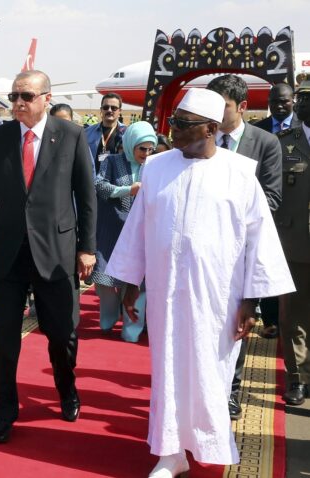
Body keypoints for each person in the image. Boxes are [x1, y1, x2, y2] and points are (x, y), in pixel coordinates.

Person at [106, 88, 294, 475]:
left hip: (217, 296)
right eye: (173, 122)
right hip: (165, 292)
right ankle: (170, 453)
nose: (172, 131)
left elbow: (259, 240)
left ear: (210, 129)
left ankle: (208, 443)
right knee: (168, 368)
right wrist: (129, 283)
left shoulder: (239, 172)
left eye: (182, 125)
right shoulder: (156, 167)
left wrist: (251, 301)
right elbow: (139, 227)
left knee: (210, 370)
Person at [0, 70, 96, 443]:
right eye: (14, 96)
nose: (18, 103)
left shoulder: (69, 135)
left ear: (46, 98)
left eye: (26, 96)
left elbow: (86, 197)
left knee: (62, 335)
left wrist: (87, 248)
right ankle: (5, 410)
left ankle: (67, 390)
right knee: (5, 339)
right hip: (8, 253)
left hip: (55, 254)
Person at [207, 74, 284, 420]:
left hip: (241, 249)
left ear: (241, 107)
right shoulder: (202, 139)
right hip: (203, 248)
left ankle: (230, 391)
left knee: (237, 322)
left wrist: (223, 207)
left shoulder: (265, 143)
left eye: (221, 105)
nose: (213, 113)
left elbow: (272, 198)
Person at [92, 121, 155, 343]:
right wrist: (128, 190)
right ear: (130, 145)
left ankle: (132, 330)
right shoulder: (112, 162)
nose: (146, 154)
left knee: (140, 284)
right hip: (111, 232)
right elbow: (99, 186)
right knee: (106, 283)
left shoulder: (156, 165)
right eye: (142, 149)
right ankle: (109, 317)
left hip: (143, 235)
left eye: (150, 149)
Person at [276, 80, 310, 406]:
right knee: (292, 317)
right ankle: (296, 378)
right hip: (293, 245)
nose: (302, 105)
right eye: (301, 99)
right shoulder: (283, 143)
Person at [85, 93, 126, 170]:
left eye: (114, 108)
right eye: (106, 107)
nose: (109, 110)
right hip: (92, 179)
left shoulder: (126, 134)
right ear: (101, 110)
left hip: (115, 180)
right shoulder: (87, 133)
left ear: (120, 111)